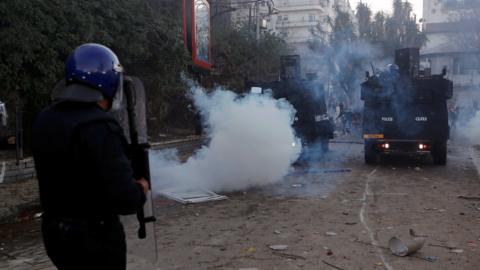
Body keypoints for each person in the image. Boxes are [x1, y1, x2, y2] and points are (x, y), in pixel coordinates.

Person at [32, 43, 149, 270]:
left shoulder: (45, 118)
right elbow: (125, 198)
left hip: (56, 233)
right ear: (110, 81)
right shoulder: (99, 126)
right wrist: (140, 189)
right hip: (94, 239)